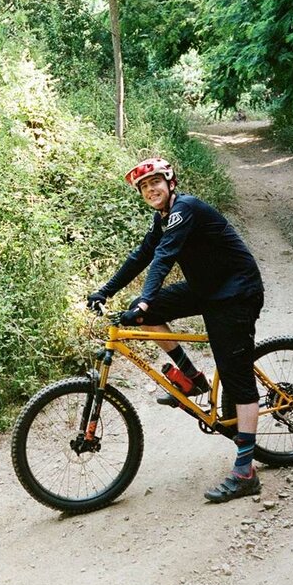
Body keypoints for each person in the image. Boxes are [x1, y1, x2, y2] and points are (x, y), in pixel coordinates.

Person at [86, 157, 265, 503]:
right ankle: (192, 377)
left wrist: (145, 298)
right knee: (143, 316)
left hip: (236, 292)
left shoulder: (185, 209)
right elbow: (142, 255)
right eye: (144, 186)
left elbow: (164, 258)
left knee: (236, 377)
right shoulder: (162, 218)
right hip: (206, 288)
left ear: (171, 183)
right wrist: (105, 291)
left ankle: (246, 472)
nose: (151, 189)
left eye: (156, 182)